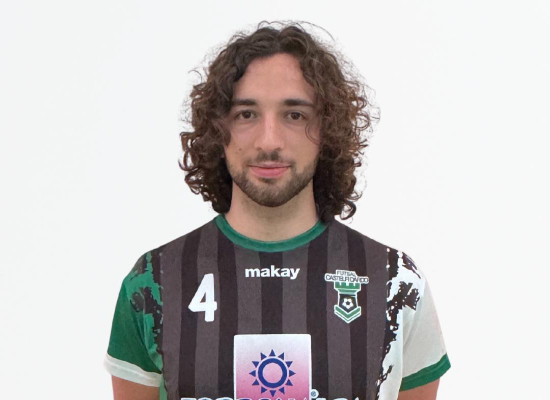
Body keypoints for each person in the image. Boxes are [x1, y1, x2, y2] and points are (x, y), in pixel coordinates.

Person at [103, 21, 450, 400]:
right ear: (218, 129)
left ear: (327, 129)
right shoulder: (153, 281)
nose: (269, 141)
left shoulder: (395, 281)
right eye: (246, 114)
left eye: (294, 115)